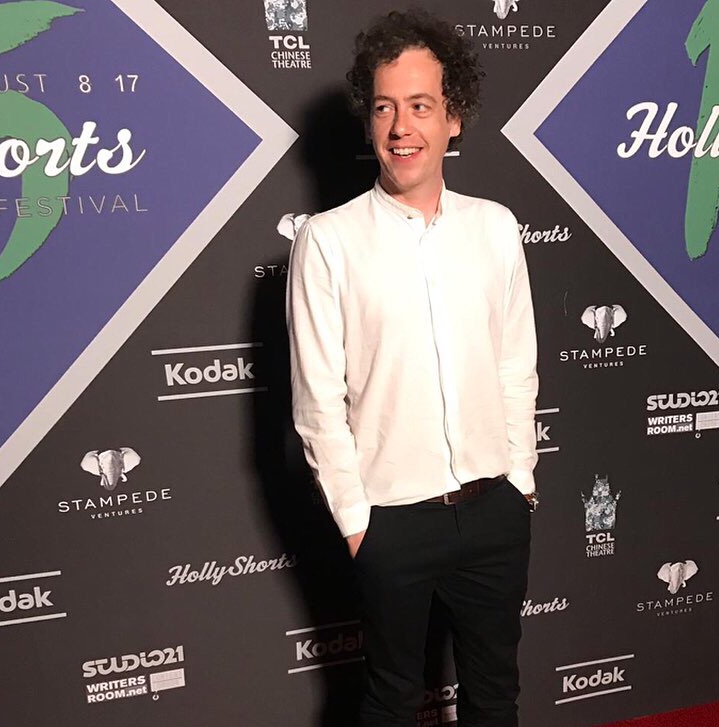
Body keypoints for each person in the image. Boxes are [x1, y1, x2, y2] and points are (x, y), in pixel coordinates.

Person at [286, 9, 538, 727]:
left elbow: (517, 362)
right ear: (370, 122)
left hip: (495, 509)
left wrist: (519, 480)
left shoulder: (493, 226)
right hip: (390, 522)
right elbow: (316, 404)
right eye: (386, 107)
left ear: (453, 118)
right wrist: (358, 520)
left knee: (496, 696)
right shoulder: (327, 243)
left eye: (421, 106)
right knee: (392, 701)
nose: (402, 127)